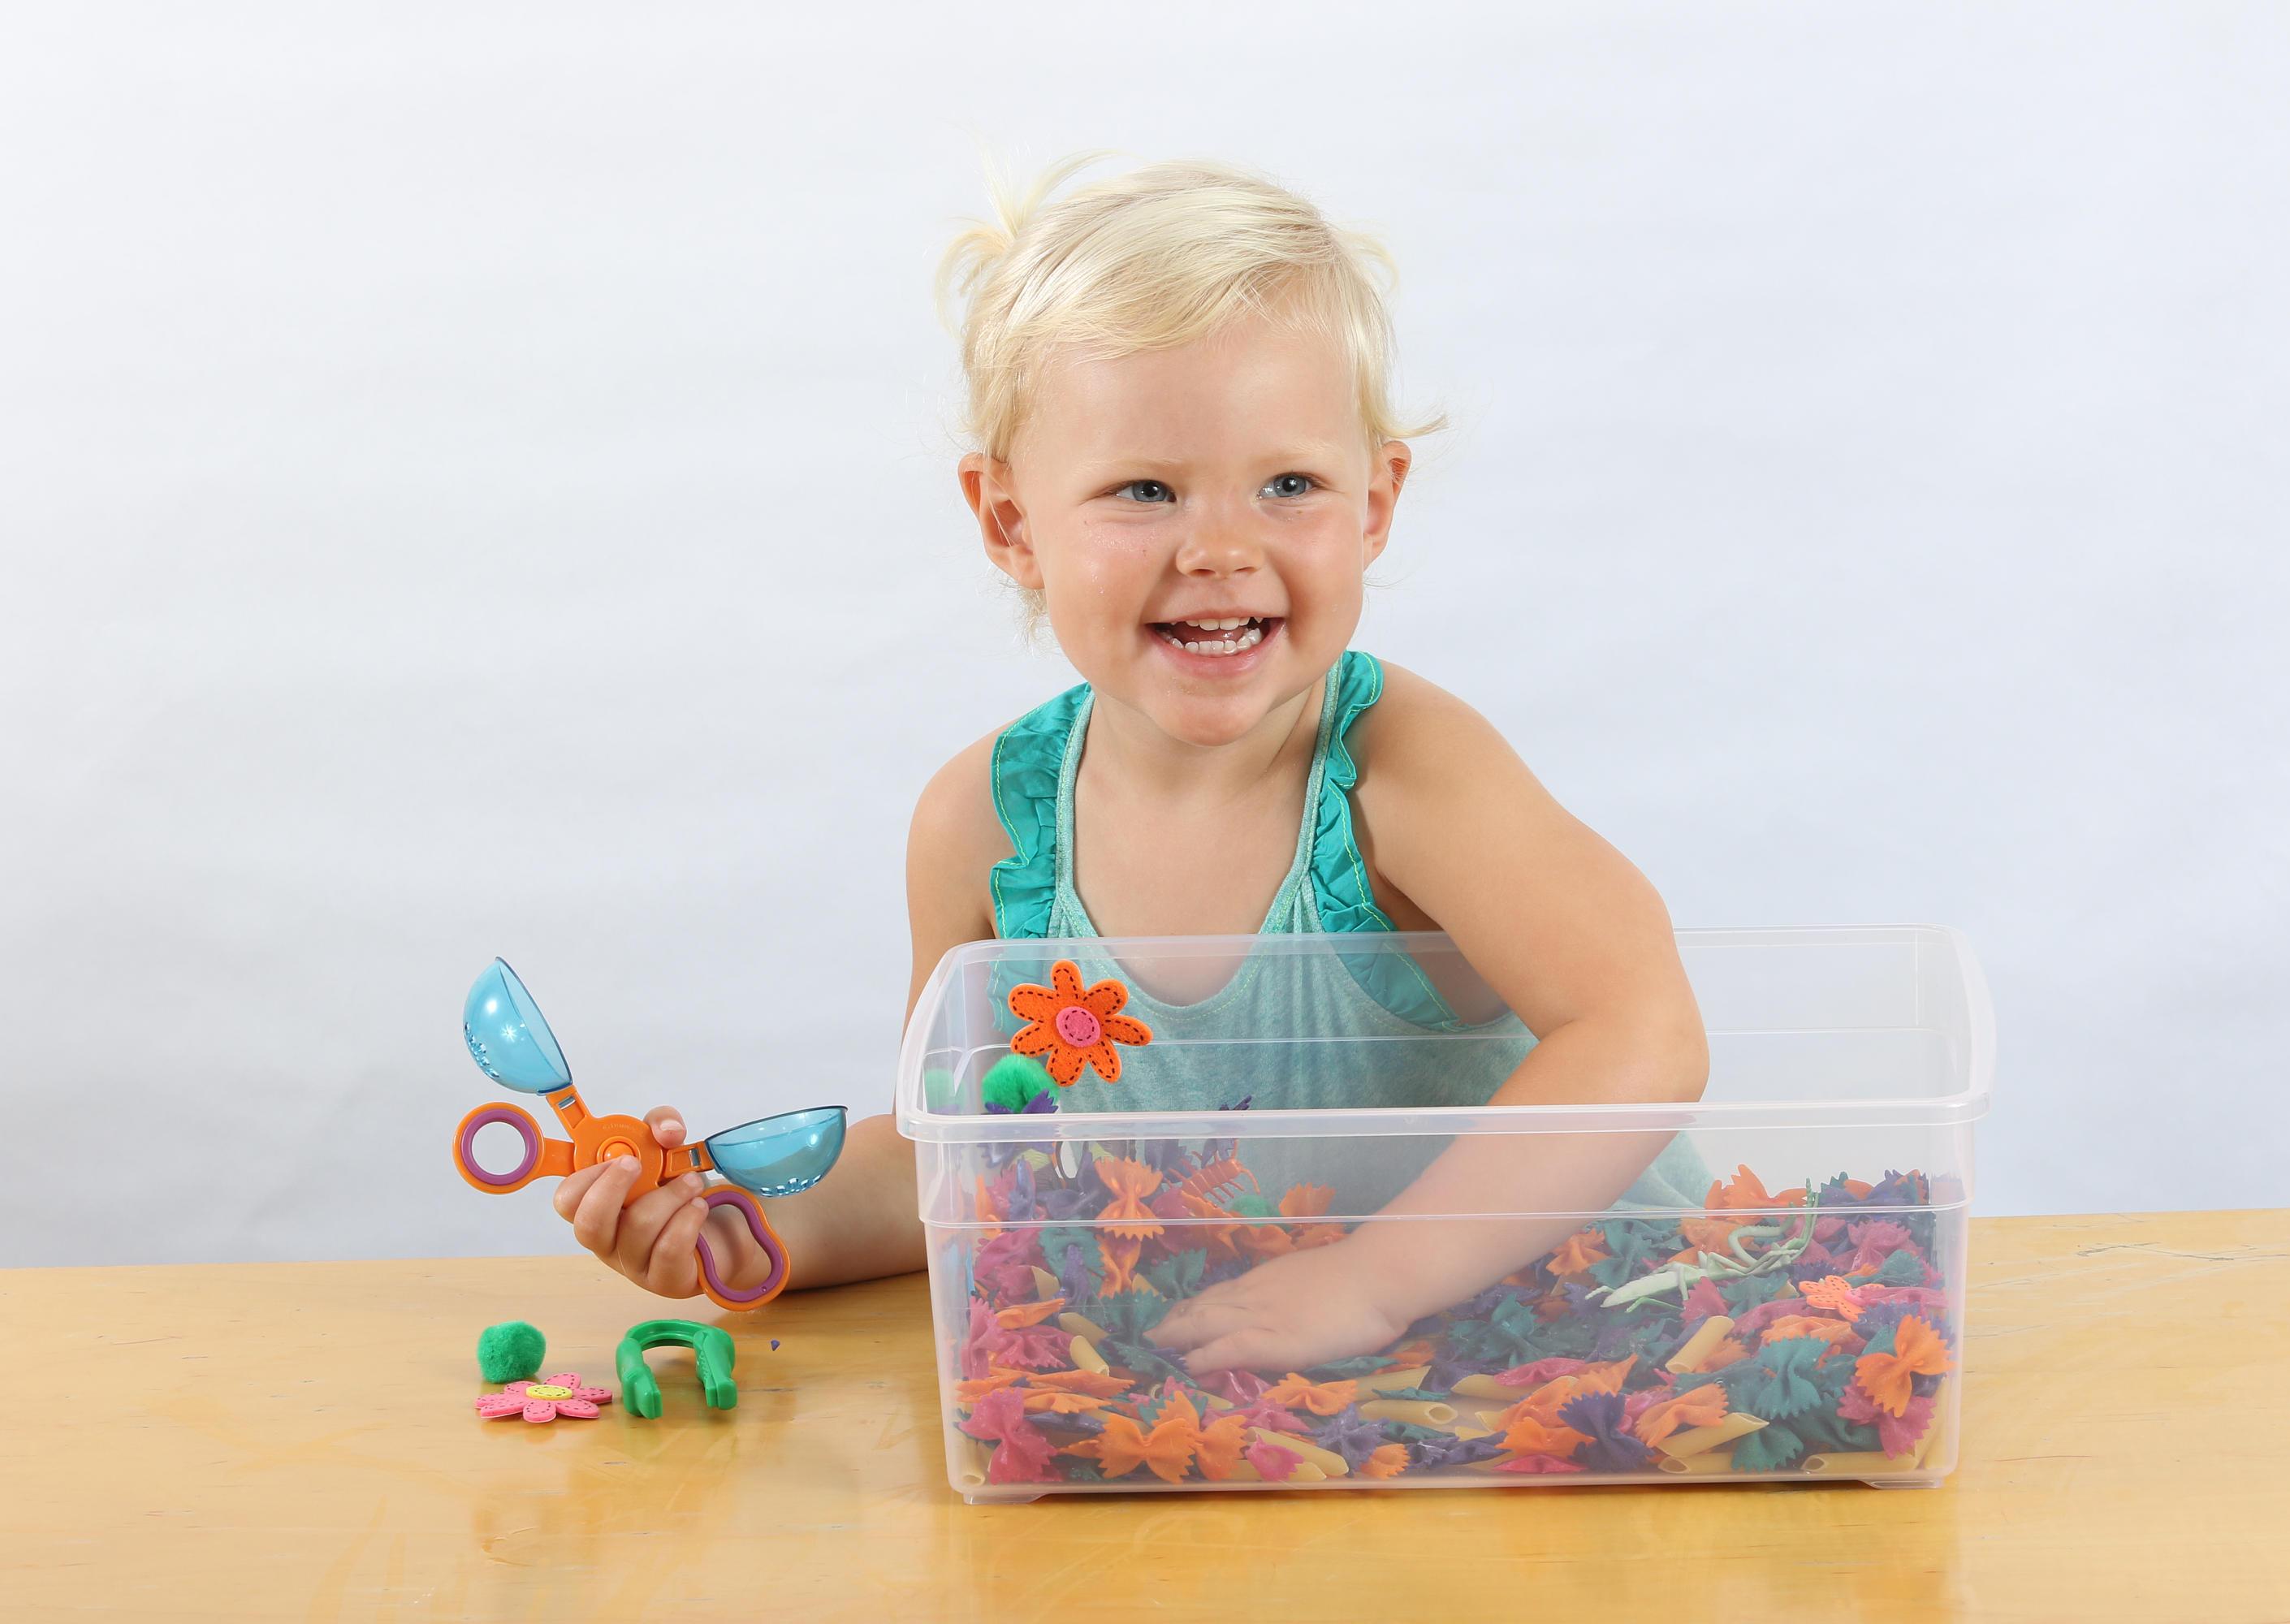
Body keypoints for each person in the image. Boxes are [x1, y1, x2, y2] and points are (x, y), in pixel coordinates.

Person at [554, 153, 1710, 1374]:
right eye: (1146, 489)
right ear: (1010, 524)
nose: (1220, 547)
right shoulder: (986, 828)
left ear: (1375, 502)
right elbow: (967, 1155)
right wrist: (748, 1231)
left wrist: (1375, 1281)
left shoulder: (1401, 774)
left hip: (1590, 1351)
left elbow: (1639, 1027)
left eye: (1289, 485)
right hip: (1264, 1391)